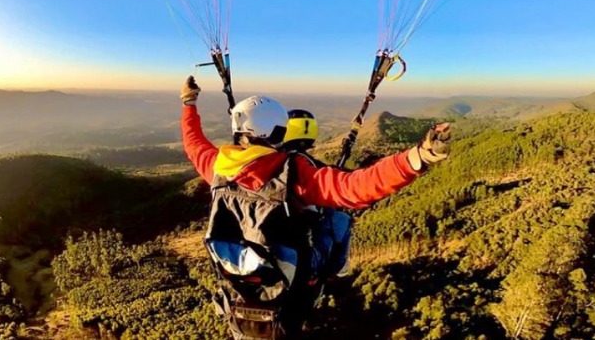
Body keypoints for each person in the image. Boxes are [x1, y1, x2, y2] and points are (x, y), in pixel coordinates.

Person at [180, 76, 451, 339]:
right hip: (288, 293)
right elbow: (355, 188)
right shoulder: (293, 173)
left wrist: (189, 103)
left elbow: (194, 144)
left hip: (239, 295)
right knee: (338, 217)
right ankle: (339, 270)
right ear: (278, 133)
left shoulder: (217, 167)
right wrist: (416, 158)